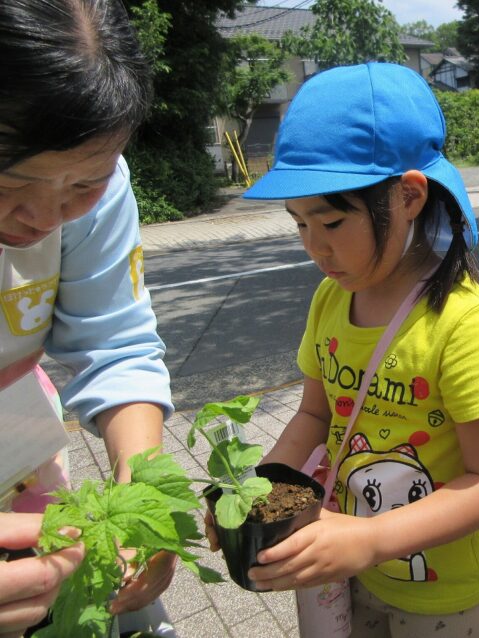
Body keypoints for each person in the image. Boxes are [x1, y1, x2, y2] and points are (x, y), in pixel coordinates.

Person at [208, 62, 479, 637]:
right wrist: (253, 499)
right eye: (298, 224)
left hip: (441, 591)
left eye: (330, 221)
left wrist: (372, 539)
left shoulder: (463, 323)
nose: (314, 247)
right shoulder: (331, 301)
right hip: (349, 559)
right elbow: (313, 413)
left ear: (408, 196)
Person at [0, 0, 176, 634]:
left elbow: (116, 343)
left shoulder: (97, 181)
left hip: (21, 471)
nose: (46, 218)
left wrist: (142, 501)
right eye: (8, 185)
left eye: (84, 184)